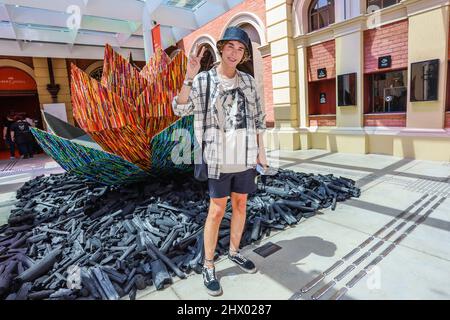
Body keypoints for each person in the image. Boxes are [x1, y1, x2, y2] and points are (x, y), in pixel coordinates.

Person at [172, 26, 267, 296]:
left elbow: (259, 118)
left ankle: (235, 251)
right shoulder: (204, 80)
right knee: (216, 210)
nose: (235, 53)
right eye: (231, 47)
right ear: (222, 48)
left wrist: (262, 152)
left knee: (240, 205)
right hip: (217, 157)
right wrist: (189, 77)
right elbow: (180, 109)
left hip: (244, 156)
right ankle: (209, 264)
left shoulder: (247, 81)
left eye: (241, 49)